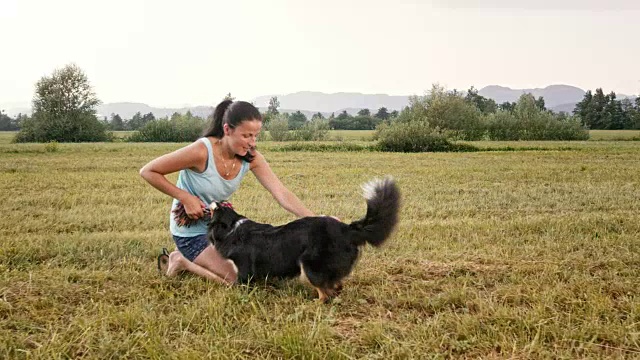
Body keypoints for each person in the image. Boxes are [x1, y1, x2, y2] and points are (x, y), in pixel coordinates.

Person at [139, 100, 315, 285]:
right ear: (227, 129)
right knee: (239, 279)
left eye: (256, 136)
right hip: (190, 231)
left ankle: (201, 257)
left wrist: (316, 221)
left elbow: (281, 193)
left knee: (261, 274)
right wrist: (184, 197)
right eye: (246, 135)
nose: (252, 142)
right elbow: (148, 171)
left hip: (224, 229)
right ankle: (182, 260)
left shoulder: (251, 157)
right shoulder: (201, 151)